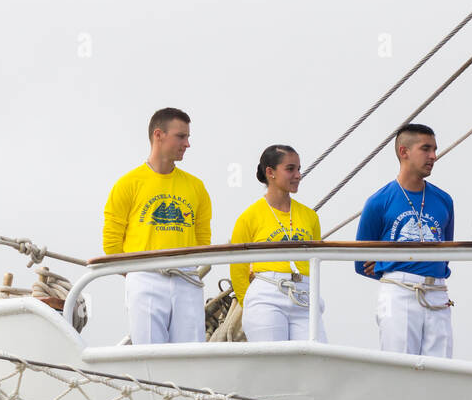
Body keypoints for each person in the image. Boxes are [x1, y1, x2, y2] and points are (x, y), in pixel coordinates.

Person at [103, 107, 212, 344]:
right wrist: (137, 273)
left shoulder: (196, 187)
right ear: (159, 135)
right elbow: (111, 244)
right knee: (149, 354)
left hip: (187, 278)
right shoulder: (128, 184)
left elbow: (203, 240)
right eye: (181, 136)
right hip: (145, 276)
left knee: (191, 355)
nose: (187, 144)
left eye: (188, 137)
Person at [355, 123, 455, 357]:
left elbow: (446, 253)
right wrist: (386, 267)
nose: (433, 156)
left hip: (437, 290)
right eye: (426, 149)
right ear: (404, 151)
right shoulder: (379, 201)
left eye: (434, 149)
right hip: (398, 290)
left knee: (441, 368)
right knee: (399, 363)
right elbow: (360, 261)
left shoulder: (444, 200)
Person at [229, 145, 325, 341]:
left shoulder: (310, 216)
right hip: (266, 295)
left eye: (299, 169)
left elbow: (314, 262)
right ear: (270, 172)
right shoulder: (249, 217)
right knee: (272, 364)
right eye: (290, 169)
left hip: (304, 295)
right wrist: (251, 303)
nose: (298, 175)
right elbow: (238, 269)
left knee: (314, 360)